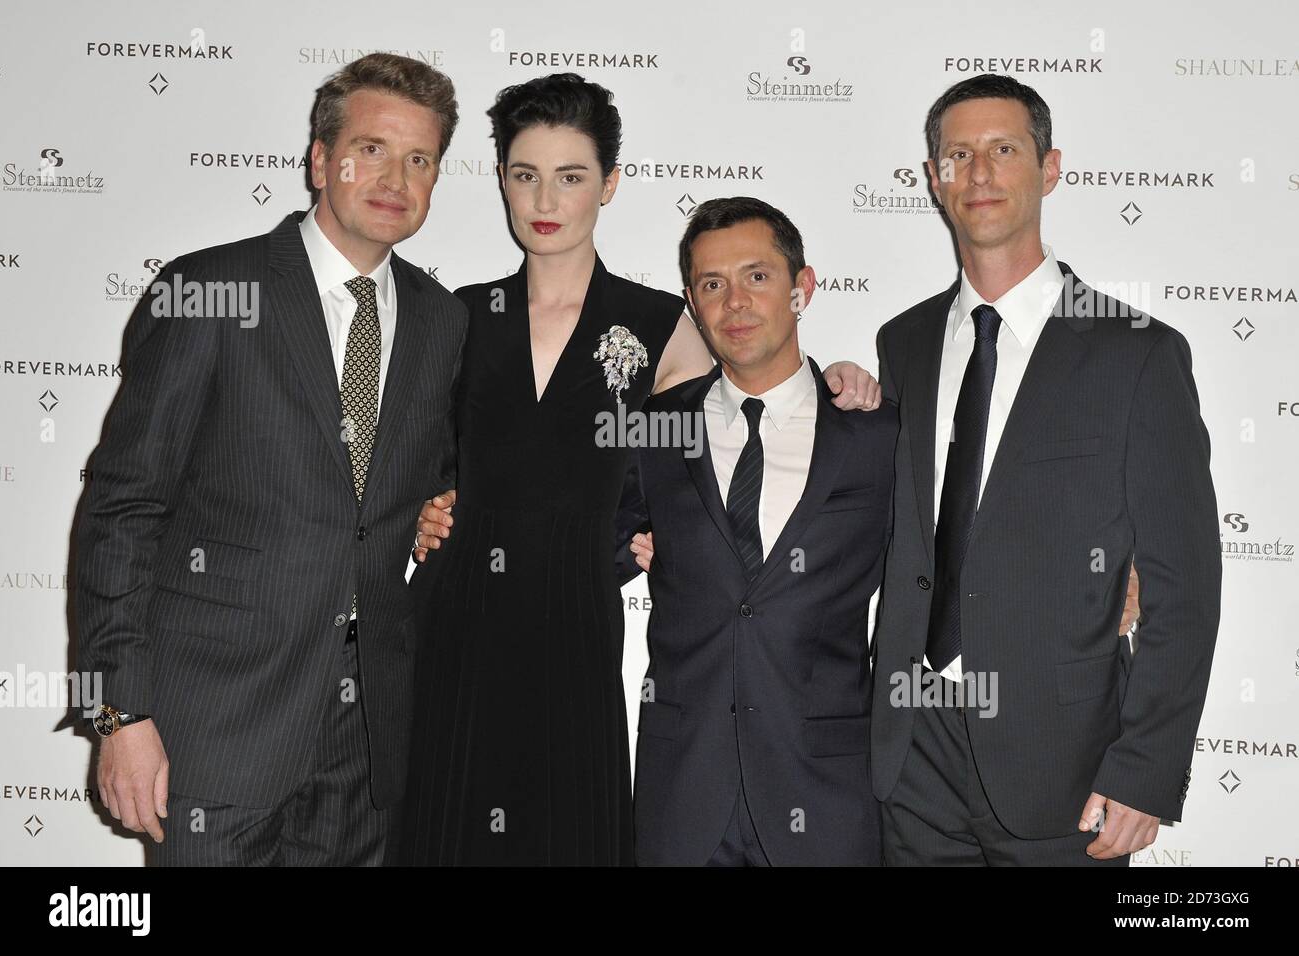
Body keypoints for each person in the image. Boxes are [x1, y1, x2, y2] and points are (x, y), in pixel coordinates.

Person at [387, 74, 880, 866]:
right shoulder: (459, 314)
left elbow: (750, 395)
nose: (545, 197)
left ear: (609, 185)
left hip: (576, 632)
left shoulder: (664, 322)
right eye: (525, 174)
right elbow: (402, 461)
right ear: (502, 181)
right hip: (456, 626)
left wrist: (843, 379)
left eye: (571, 176)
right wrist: (415, 513)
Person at [75, 53, 467, 865]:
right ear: (320, 160)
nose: (395, 176)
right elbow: (122, 508)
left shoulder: (442, 321)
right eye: (371, 149)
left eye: (420, 159)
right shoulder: (211, 291)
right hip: (213, 729)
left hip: (367, 745)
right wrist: (119, 714)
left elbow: (428, 483)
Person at [868, 73, 1220, 865]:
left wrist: (1146, 771)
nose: (980, 174)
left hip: (1068, 772)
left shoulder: (1137, 352)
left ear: (1050, 168)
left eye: (1004, 150)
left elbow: (1185, 587)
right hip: (912, 761)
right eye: (958, 155)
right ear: (933, 179)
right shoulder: (905, 343)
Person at [613, 197, 899, 865]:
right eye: (712, 285)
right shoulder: (654, 428)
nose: (734, 303)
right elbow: (577, 549)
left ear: (802, 288)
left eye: (757, 276)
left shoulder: (878, 432)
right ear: (692, 301)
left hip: (825, 792)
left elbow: (950, 565)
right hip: (683, 796)